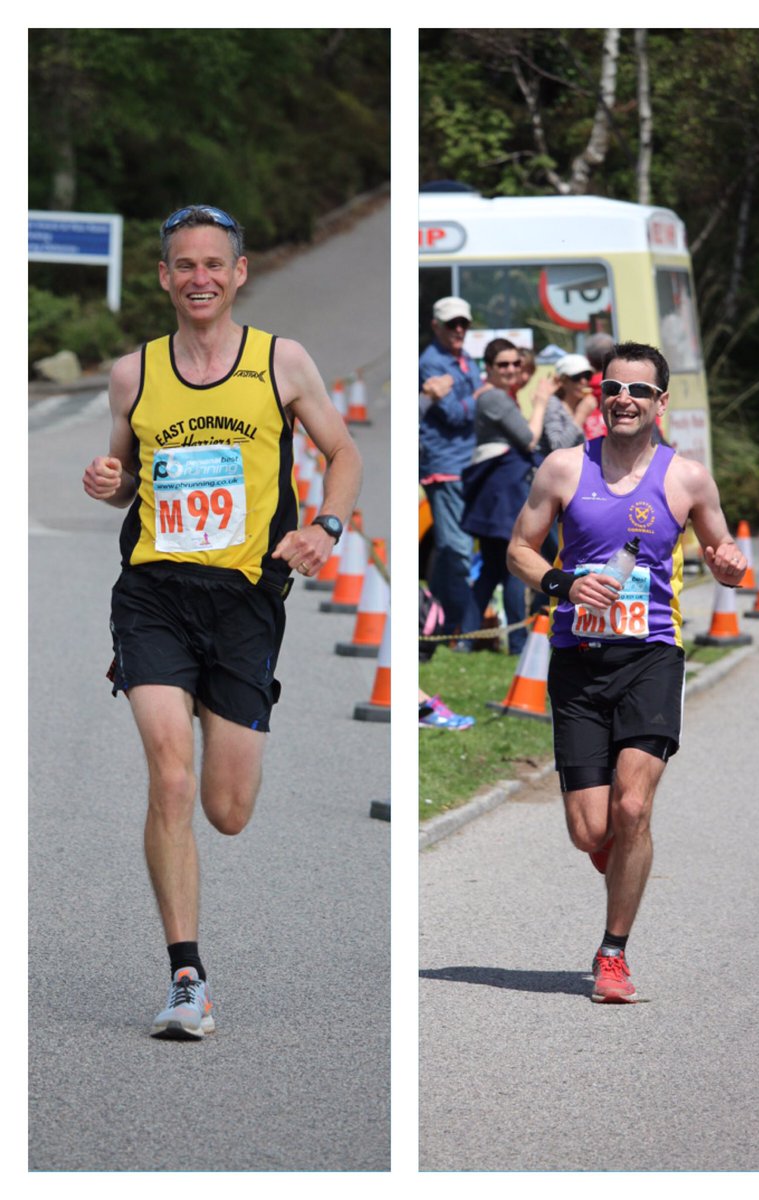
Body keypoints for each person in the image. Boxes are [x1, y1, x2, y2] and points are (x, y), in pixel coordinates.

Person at [81, 204, 362, 1038]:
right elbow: (126, 474)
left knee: (227, 808)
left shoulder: (284, 362)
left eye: (214, 264)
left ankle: (220, 721)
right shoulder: (134, 373)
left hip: (244, 601)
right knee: (168, 776)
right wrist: (109, 482)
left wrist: (325, 527)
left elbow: (344, 454)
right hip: (155, 593)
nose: (199, 278)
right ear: (164, 277)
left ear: (239, 273)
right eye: (183, 265)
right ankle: (186, 979)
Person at [506, 341, 746, 1003]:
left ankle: (613, 953)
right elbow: (519, 550)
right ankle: (626, 866)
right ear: (600, 394)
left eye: (640, 391)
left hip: (651, 657)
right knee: (590, 829)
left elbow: (723, 545)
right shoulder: (562, 468)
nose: (625, 400)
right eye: (615, 388)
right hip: (578, 662)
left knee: (632, 805)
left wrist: (728, 564)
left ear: (660, 402)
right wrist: (561, 584)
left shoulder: (687, 477)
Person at [461, 338, 550, 656]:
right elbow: (529, 440)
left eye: (516, 363)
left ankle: (467, 638)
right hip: (501, 493)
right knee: (515, 563)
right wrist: (540, 403)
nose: (512, 369)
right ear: (489, 368)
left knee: (493, 569)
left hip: (499, 491)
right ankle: (517, 642)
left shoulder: (497, 396)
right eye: (503, 365)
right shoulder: (495, 398)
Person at [419, 297, 482, 646]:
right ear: (436, 326)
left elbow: (462, 408)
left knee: (448, 551)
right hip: (444, 466)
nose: (459, 330)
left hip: (464, 463)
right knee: (457, 550)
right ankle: (461, 631)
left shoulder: (463, 359)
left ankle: (437, 623)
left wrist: (472, 399)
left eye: (464, 324)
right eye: (452, 324)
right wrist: (484, 395)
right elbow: (456, 416)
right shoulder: (431, 363)